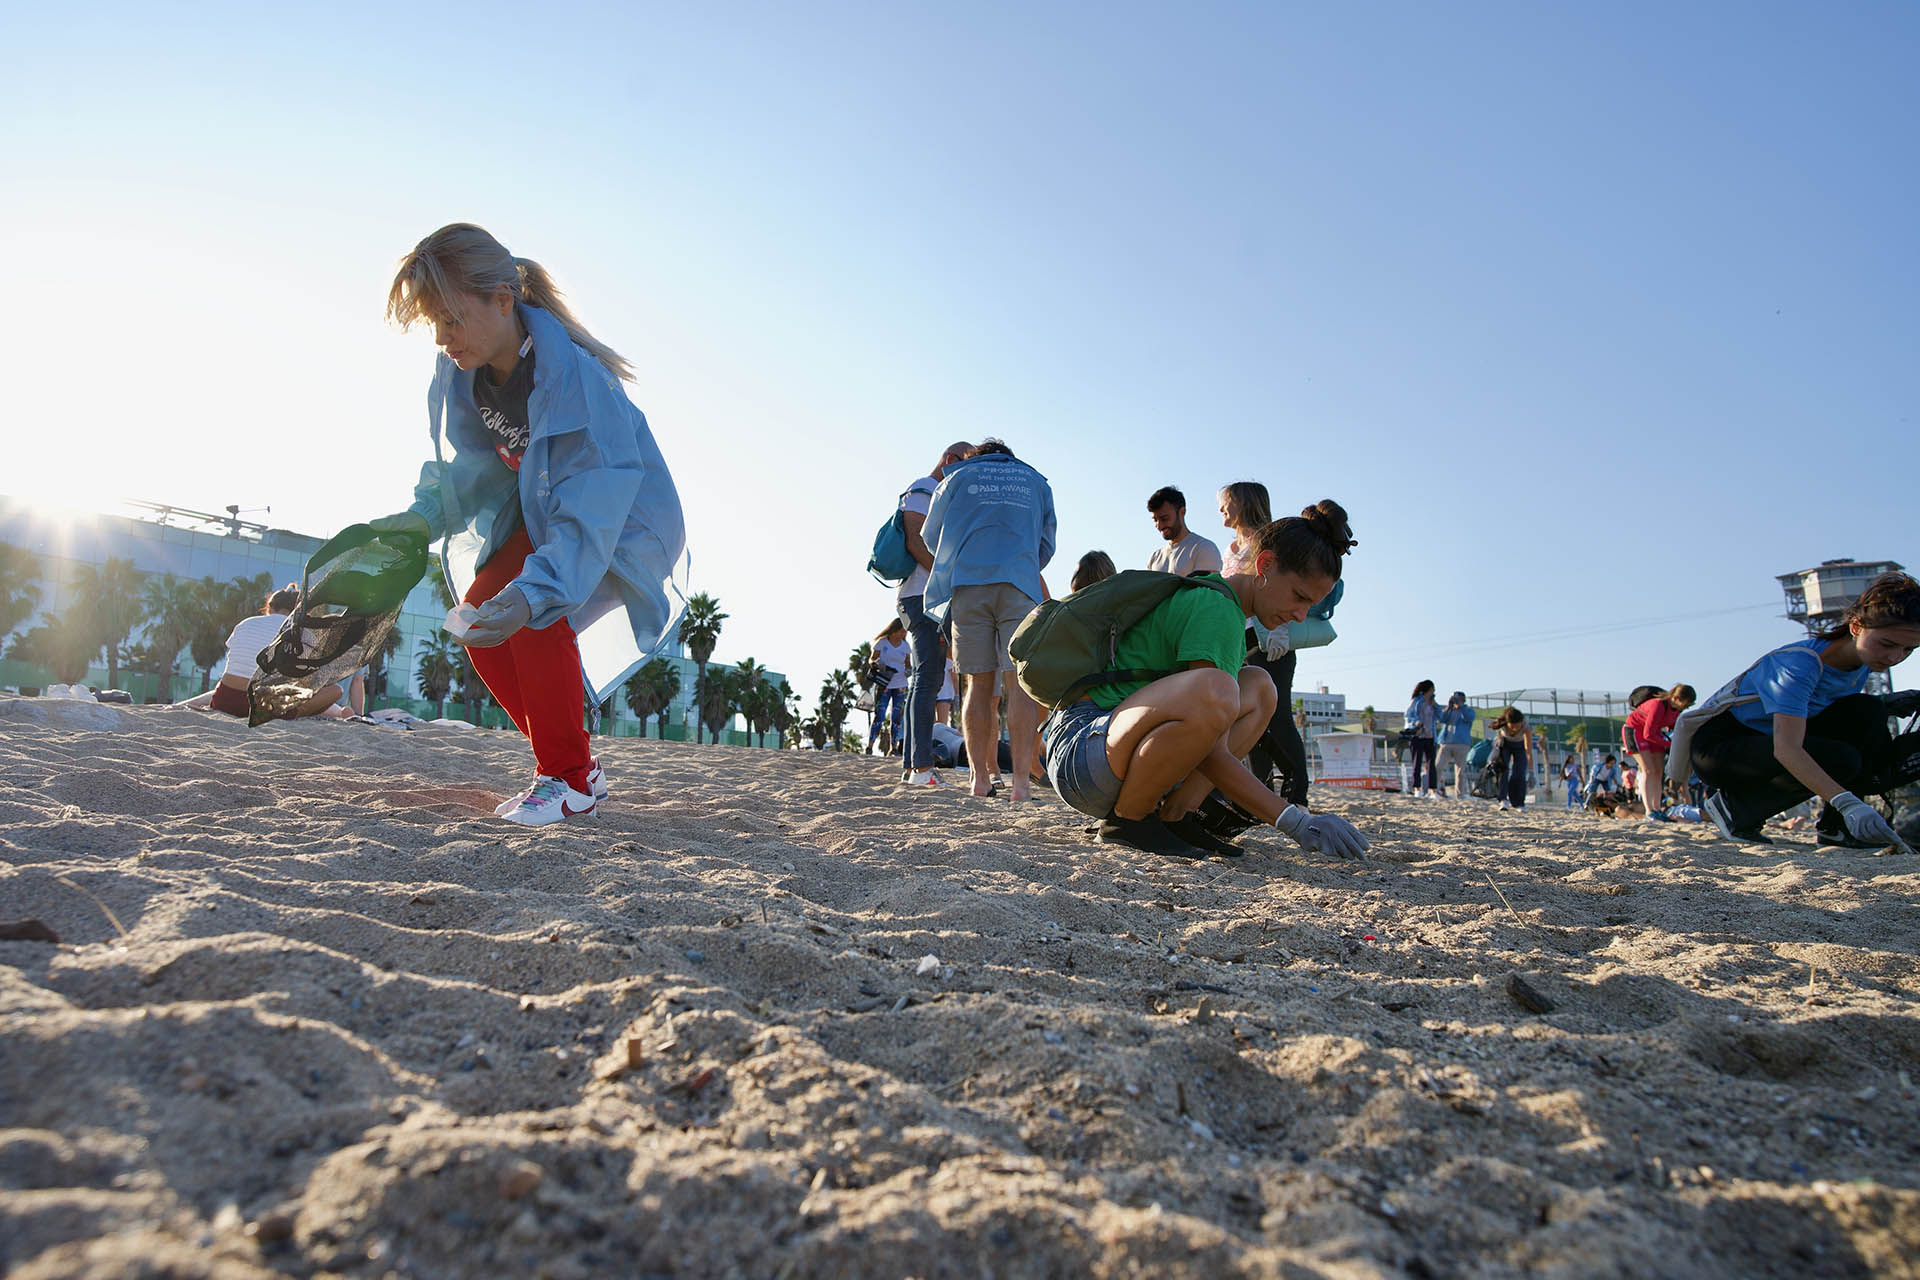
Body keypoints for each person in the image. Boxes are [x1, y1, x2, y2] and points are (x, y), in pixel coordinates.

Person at [378, 223, 686, 826]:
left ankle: (567, 779)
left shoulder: (577, 380)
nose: (441, 337)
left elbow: (591, 506)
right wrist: (421, 518)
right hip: (545, 512)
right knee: (479, 618)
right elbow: (474, 469)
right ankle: (576, 764)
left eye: (451, 319)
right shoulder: (464, 372)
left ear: (502, 299)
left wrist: (532, 594)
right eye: (434, 323)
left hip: (623, 522)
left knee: (536, 610)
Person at [1041, 500, 1371, 861]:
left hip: (1107, 750)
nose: (1301, 615)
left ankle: (1175, 816)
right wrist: (1295, 821)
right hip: (1082, 754)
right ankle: (1129, 820)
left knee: (1260, 688)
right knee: (1217, 690)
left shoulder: (1226, 606)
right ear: (1264, 565)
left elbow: (1210, 740)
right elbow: (1212, 753)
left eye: (1311, 606)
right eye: (1299, 597)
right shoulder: (1216, 609)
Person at [1681, 572, 1920, 849]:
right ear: (1856, 627)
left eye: (1908, 650)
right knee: (1842, 758)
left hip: (1769, 740)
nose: (1895, 658)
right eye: (1887, 644)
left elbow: (1839, 710)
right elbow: (1787, 749)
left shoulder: (1864, 662)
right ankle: (1736, 808)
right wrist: (1846, 803)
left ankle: (1836, 830)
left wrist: (1887, 703)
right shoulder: (1799, 665)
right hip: (1722, 749)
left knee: (1869, 711)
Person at [923, 439, 1056, 802]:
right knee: (1019, 683)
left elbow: (931, 536)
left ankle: (979, 779)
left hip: (970, 584)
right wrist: (1021, 561)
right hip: (1019, 583)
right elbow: (1046, 543)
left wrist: (962, 556)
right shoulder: (1035, 481)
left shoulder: (957, 477)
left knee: (977, 685)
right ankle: (1021, 783)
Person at [895, 442, 974, 788]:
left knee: (923, 680)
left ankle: (913, 765)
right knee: (928, 680)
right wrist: (947, 580)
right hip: (922, 596)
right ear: (949, 461)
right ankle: (922, 768)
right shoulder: (924, 489)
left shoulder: (933, 494)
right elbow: (915, 542)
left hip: (923, 597)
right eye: (964, 466)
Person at [204, 584, 347, 720]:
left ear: (270, 608)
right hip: (264, 707)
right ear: (300, 610)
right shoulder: (303, 632)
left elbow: (232, 663)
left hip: (224, 701)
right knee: (336, 690)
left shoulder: (245, 623)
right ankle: (294, 715)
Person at [1625, 683, 1696, 818]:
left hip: (1655, 733)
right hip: (1636, 730)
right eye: (1685, 704)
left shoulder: (1677, 710)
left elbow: (1673, 728)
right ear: (1676, 698)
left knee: (1658, 772)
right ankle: (1649, 811)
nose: (1686, 708)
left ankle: (1657, 808)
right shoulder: (1658, 705)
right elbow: (1647, 734)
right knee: (1648, 770)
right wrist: (1670, 744)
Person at [1145, 486, 1223, 576]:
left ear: (1182, 512)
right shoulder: (1154, 558)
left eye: (1164, 519)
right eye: (1155, 520)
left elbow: (1207, 584)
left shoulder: (1204, 548)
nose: (1159, 526)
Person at [867, 619, 911, 754]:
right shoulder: (882, 643)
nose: (902, 634)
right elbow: (871, 659)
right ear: (893, 631)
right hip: (884, 683)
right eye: (900, 631)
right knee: (879, 715)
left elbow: (907, 663)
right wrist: (877, 664)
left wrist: (909, 671)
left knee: (896, 717)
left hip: (900, 684)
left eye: (904, 632)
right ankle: (870, 746)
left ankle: (894, 747)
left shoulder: (905, 646)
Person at [1488, 707, 1531, 810]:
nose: (1515, 729)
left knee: (1519, 773)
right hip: (1505, 745)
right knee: (1503, 771)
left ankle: (1519, 803)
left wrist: (1532, 771)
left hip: (1519, 747)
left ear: (1521, 722)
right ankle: (1503, 799)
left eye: (1517, 726)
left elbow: (1528, 750)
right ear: (1507, 723)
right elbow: (1497, 743)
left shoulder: (1526, 727)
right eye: (1512, 726)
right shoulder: (1502, 725)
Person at [1435, 692, 1475, 800]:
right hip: (1446, 743)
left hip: (1462, 744)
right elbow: (1440, 719)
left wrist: (1461, 707)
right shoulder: (1450, 711)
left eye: (1458, 698)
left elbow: (1469, 718)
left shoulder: (1468, 710)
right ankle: (1434, 790)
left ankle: (1460, 794)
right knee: (1438, 766)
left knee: (1460, 771)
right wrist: (1448, 707)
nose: (1456, 700)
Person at [1404, 680, 1440, 798]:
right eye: (1432, 689)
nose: (1433, 692)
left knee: (1431, 764)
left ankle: (1433, 790)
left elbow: (1440, 717)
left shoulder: (1432, 703)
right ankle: (1417, 789)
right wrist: (1416, 722)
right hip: (1418, 736)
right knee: (1417, 762)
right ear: (1428, 690)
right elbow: (1408, 715)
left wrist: (1435, 705)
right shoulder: (1416, 701)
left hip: (1430, 736)